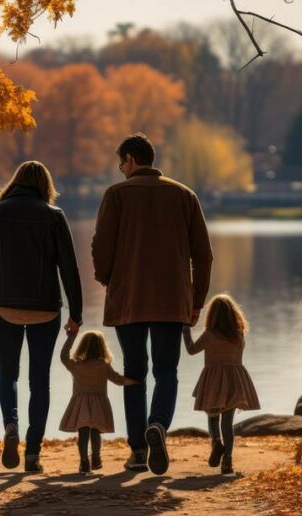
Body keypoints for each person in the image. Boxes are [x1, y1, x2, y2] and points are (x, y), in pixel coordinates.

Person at [91, 133, 213, 475]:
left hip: (128, 299)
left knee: (134, 373)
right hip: (172, 301)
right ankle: (158, 423)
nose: (120, 169)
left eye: (120, 163)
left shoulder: (116, 195)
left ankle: (138, 451)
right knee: (166, 371)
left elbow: (101, 247)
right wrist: (196, 300)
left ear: (129, 159)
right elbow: (203, 255)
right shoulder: (183, 195)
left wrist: (107, 280)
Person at [0, 161, 82, 473]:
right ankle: (32, 452)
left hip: (4, 307)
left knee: (7, 374)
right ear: (46, 185)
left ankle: (10, 425)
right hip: (46, 308)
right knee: (40, 382)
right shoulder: (54, 217)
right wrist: (77, 313)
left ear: (14, 182)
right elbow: (69, 268)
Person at [183, 294, 261, 476]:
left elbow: (191, 350)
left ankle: (216, 441)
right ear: (234, 315)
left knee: (212, 417)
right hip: (235, 380)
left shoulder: (210, 335)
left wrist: (185, 331)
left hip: (214, 379)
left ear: (212, 316)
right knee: (228, 422)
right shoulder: (239, 335)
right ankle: (227, 460)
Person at [58, 329, 138, 475]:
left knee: (83, 433)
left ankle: (84, 462)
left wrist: (71, 337)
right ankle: (96, 458)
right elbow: (118, 380)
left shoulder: (76, 365)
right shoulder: (103, 365)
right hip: (99, 405)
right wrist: (136, 382)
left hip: (80, 403)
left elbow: (63, 356)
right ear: (102, 347)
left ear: (82, 346)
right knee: (95, 432)